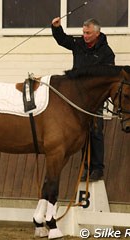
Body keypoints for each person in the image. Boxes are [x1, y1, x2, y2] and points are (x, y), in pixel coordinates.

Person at [51, 17, 115, 181]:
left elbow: (107, 78)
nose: (85, 36)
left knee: (95, 132)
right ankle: (86, 167)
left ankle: (97, 168)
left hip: (95, 100)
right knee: (81, 133)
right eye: (83, 32)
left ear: (97, 33)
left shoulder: (107, 53)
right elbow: (63, 40)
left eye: (88, 33)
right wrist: (56, 28)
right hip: (77, 99)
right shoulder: (78, 44)